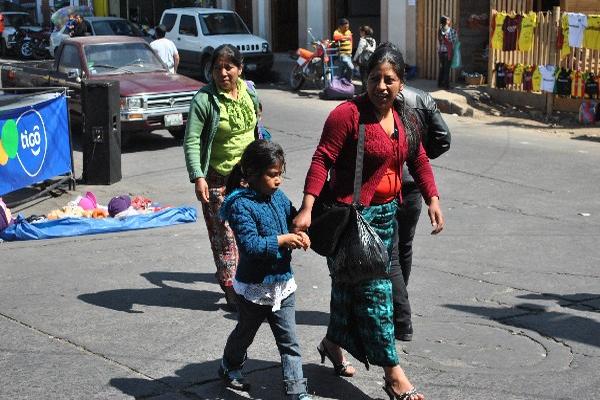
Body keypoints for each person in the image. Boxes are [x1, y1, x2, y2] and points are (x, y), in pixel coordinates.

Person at [293, 42, 444, 400]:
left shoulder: (406, 116)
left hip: (387, 217)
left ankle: (332, 342)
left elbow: (418, 159)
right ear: (364, 79)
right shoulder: (347, 114)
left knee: (347, 291)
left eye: (389, 79)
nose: (381, 86)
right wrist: (307, 207)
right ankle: (394, 375)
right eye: (374, 78)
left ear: (401, 82)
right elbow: (322, 159)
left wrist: (432, 198)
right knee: (378, 296)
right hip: (352, 221)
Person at [218, 140, 313, 399]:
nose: (278, 180)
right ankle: (230, 365)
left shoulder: (279, 198)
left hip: (283, 285)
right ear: (252, 174)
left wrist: (299, 233)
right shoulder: (240, 205)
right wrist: (282, 240)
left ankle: (297, 392)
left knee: (290, 343)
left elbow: (292, 220)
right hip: (254, 289)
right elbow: (251, 246)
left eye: (280, 174)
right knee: (244, 334)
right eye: (272, 175)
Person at [183, 44, 262, 311]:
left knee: (249, 232)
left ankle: (248, 282)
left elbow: (257, 125)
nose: (223, 72)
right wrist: (198, 177)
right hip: (216, 177)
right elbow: (192, 140)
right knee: (224, 235)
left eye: (229, 66)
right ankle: (230, 288)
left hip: (248, 179)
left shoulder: (249, 91)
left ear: (240, 68)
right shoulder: (205, 100)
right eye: (217, 68)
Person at [390, 86, 451, 342]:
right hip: (409, 184)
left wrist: (418, 155)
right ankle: (398, 305)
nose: (382, 85)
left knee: (392, 251)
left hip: (397, 182)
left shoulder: (375, 97)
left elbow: (424, 152)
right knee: (401, 248)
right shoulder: (422, 98)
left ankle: (398, 310)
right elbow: (442, 138)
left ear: (400, 81)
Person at [353, 25, 376, 93]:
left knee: (364, 77)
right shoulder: (373, 40)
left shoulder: (362, 40)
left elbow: (359, 51)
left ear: (363, 32)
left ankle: (365, 92)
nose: (360, 33)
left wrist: (354, 59)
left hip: (363, 61)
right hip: (371, 60)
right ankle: (370, 91)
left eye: (360, 32)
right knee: (369, 76)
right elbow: (373, 49)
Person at [437, 15, 458, 89]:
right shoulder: (451, 31)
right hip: (447, 53)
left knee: (442, 68)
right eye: (448, 19)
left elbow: (439, 41)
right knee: (446, 70)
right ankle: (446, 86)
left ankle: (440, 84)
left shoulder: (440, 30)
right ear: (447, 22)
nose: (450, 20)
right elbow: (453, 41)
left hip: (440, 53)